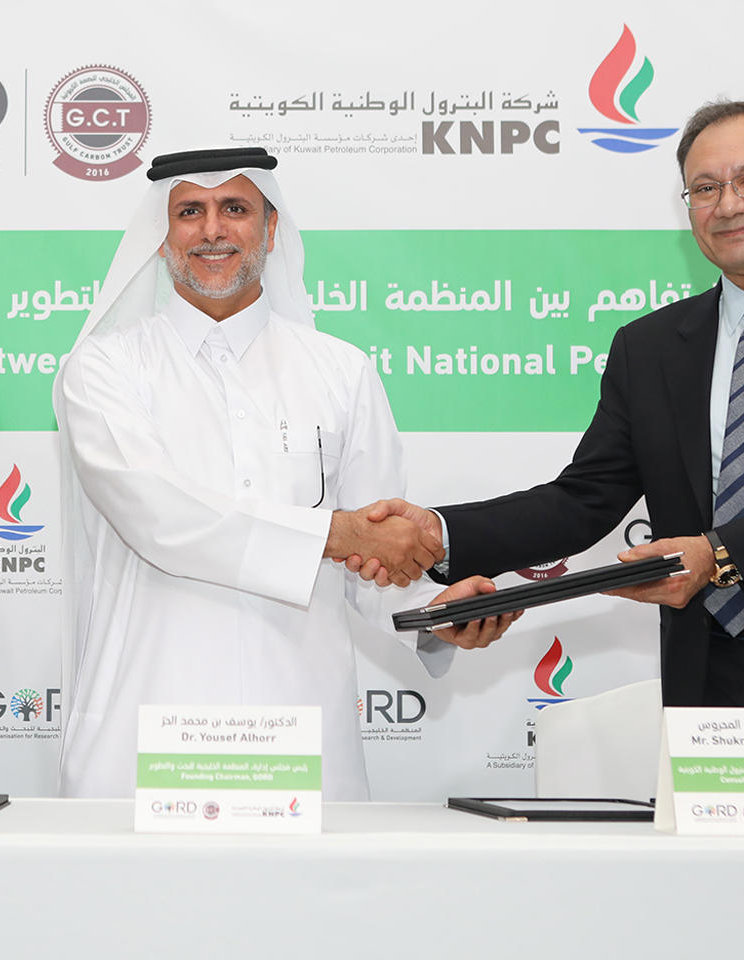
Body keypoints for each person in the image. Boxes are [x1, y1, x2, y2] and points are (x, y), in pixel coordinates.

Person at [361, 101, 744, 811]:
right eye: (705, 188)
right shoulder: (651, 346)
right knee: (728, 885)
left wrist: (719, 553)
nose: (729, 204)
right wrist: (438, 532)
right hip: (721, 688)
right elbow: (584, 500)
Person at [53, 147, 513, 800]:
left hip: (299, 738)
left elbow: (374, 561)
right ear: (162, 234)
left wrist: (435, 614)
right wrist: (338, 534)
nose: (213, 229)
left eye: (235, 208)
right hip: (144, 731)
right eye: (190, 212)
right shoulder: (105, 369)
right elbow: (160, 516)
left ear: (271, 229)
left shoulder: (341, 372)